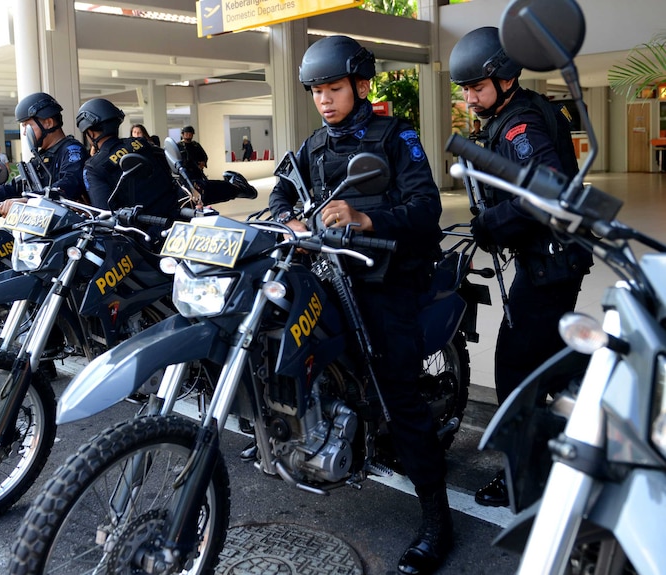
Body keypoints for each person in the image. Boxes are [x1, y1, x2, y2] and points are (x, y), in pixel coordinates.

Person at [268, 35, 450, 575]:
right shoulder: (314, 147)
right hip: (331, 275)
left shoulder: (396, 137)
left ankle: (437, 519)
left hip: (387, 278)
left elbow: (426, 209)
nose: (324, 99)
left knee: (399, 391)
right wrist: (289, 220)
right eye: (316, 90)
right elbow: (282, 191)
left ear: (361, 86)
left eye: (333, 88)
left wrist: (368, 219)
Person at [449, 26, 593, 508]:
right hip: (551, 261)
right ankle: (571, 447)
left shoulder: (519, 127)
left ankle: (522, 475)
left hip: (549, 264)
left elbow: (547, 191)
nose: (469, 98)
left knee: (514, 368)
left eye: (475, 87)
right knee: (547, 362)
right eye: (464, 89)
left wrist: (494, 222)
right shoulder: (512, 116)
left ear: (505, 78)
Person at [0, 92, 88, 216]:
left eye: (27, 125)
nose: (25, 132)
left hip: (73, 231)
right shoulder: (41, 158)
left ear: (48, 123)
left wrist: (27, 200)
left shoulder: (72, 150)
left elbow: (68, 185)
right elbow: (14, 187)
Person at [76, 98, 180, 245]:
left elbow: (105, 216)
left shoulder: (93, 167)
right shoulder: (142, 144)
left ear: (91, 132)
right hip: (176, 225)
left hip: (141, 241)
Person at [177, 125, 258, 204]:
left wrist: (202, 163)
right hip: (185, 173)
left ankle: (238, 189)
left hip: (196, 171)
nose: (188, 135)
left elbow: (203, 156)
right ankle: (238, 189)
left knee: (205, 190)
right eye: (186, 133)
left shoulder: (195, 145)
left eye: (190, 133)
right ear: (183, 134)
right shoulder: (178, 146)